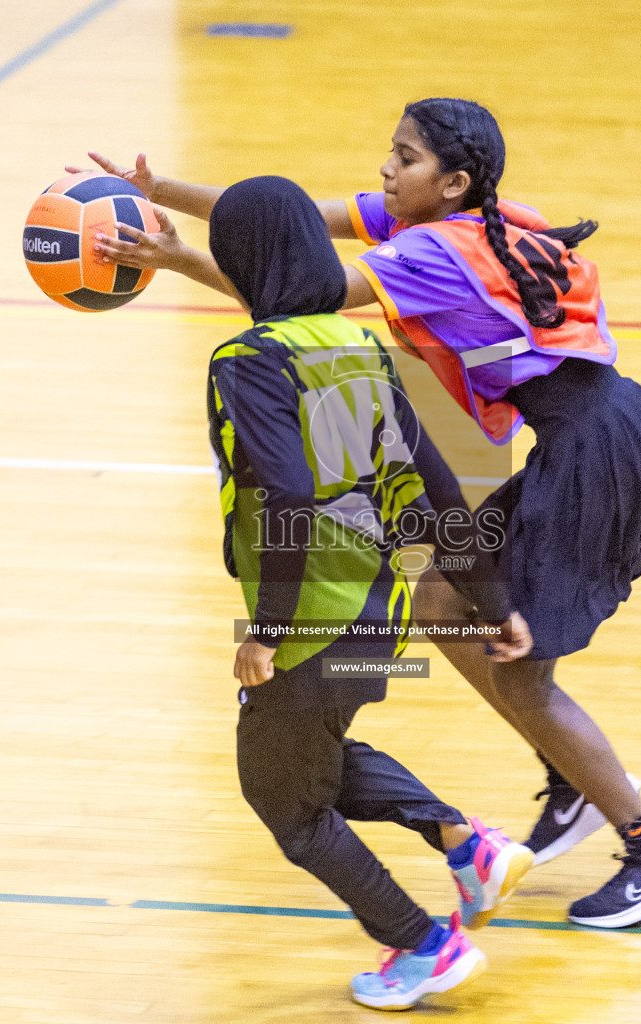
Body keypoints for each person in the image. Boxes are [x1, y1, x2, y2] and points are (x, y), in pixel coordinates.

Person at [79, 97, 641, 928]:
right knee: (449, 601)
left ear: (450, 181)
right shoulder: (490, 213)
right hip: (612, 424)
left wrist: (178, 260)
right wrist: (162, 187)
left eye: (405, 158)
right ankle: (572, 778)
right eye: (392, 151)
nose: (387, 168)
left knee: (515, 664)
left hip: (593, 446)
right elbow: (293, 218)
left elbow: (297, 291)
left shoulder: (429, 255)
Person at [200, 174, 534, 1009]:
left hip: (313, 620)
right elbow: (438, 486)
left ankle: (424, 944)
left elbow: (284, 491)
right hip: (380, 616)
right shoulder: (359, 347)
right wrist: (491, 603)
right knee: (313, 759)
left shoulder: (249, 360)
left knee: (284, 800)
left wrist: (267, 631)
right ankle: (467, 845)